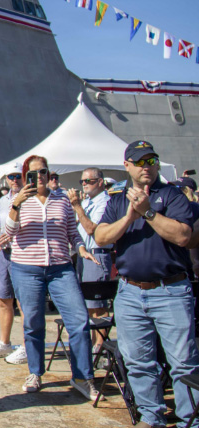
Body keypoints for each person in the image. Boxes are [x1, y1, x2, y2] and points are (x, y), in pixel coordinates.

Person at [94, 141, 199, 428]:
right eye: (139, 162)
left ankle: (188, 420)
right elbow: (101, 237)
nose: (146, 167)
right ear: (126, 165)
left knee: (183, 363)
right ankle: (151, 418)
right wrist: (130, 215)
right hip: (130, 292)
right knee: (139, 363)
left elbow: (183, 236)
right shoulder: (116, 200)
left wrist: (149, 212)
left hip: (171, 290)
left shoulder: (172, 195)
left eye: (151, 161)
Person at [5, 155, 99, 399]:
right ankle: (35, 372)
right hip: (27, 268)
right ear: (26, 176)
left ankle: (82, 376)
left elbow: (71, 231)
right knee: (33, 322)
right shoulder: (18, 201)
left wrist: (80, 248)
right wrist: (16, 204)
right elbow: (8, 232)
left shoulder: (62, 200)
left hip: (60, 267)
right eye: (34, 173)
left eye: (44, 171)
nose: (40, 177)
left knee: (78, 320)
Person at [0, 163, 27, 364]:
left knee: (23, 302)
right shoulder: (1, 201)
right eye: (12, 177)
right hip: (5, 255)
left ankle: (27, 346)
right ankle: (5, 342)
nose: (15, 180)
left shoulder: (29, 198)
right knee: (3, 299)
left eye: (18, 176)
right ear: (7, 179)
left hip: (23, 254)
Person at [68, 167, 112, 355]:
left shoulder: (105, 202)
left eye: (89, 181)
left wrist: (77, 207)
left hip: (97, 253)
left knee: (98, 304)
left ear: (100, 182)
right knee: (88, 304)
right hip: (84, 254)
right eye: (82, 182)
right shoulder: (88, 202)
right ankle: (95, 345)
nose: (84, 184)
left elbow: (92, 229)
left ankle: (100, 348)